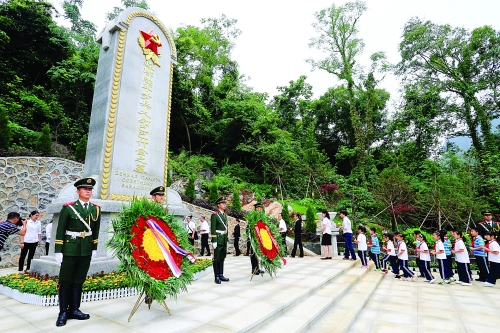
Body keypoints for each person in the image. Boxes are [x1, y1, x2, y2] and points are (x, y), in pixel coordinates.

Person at [54, 178, 101, 327]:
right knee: (65, 281)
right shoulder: (69, 208)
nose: (88, 191)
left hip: (86, 249)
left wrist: (94, 248)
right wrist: (58, 251)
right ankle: (63, 312)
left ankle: (74, 309)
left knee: (79, 280)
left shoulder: (96, 209)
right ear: (78, 191)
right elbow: (60, 230)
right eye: (85, 188)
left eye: (90, 189)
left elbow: (96, 231)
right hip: (70, 248)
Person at [211, 197, 229, 284]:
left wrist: (227, 238)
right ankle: (216, 276)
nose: (225, 205)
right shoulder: (215, 215)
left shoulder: (224, 215)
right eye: (223, 203)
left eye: (225, 204)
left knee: (222, 257)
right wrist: (214, 240)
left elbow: (226, 228)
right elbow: (213, 228)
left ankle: (221, 275)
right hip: (218, 239)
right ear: (218, 205)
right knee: (216, 258)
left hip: (223, 239)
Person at [248, 202, 264, 274]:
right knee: (253, 254)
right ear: (256, 209)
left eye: (260, 208)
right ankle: (253, 269)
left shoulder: (261, 217)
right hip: (253, 238)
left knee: (258, 254)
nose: (260, 209)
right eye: (258, 208)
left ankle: (258, 268)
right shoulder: (252, 216)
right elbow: (249, 227)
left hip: (259, 238)